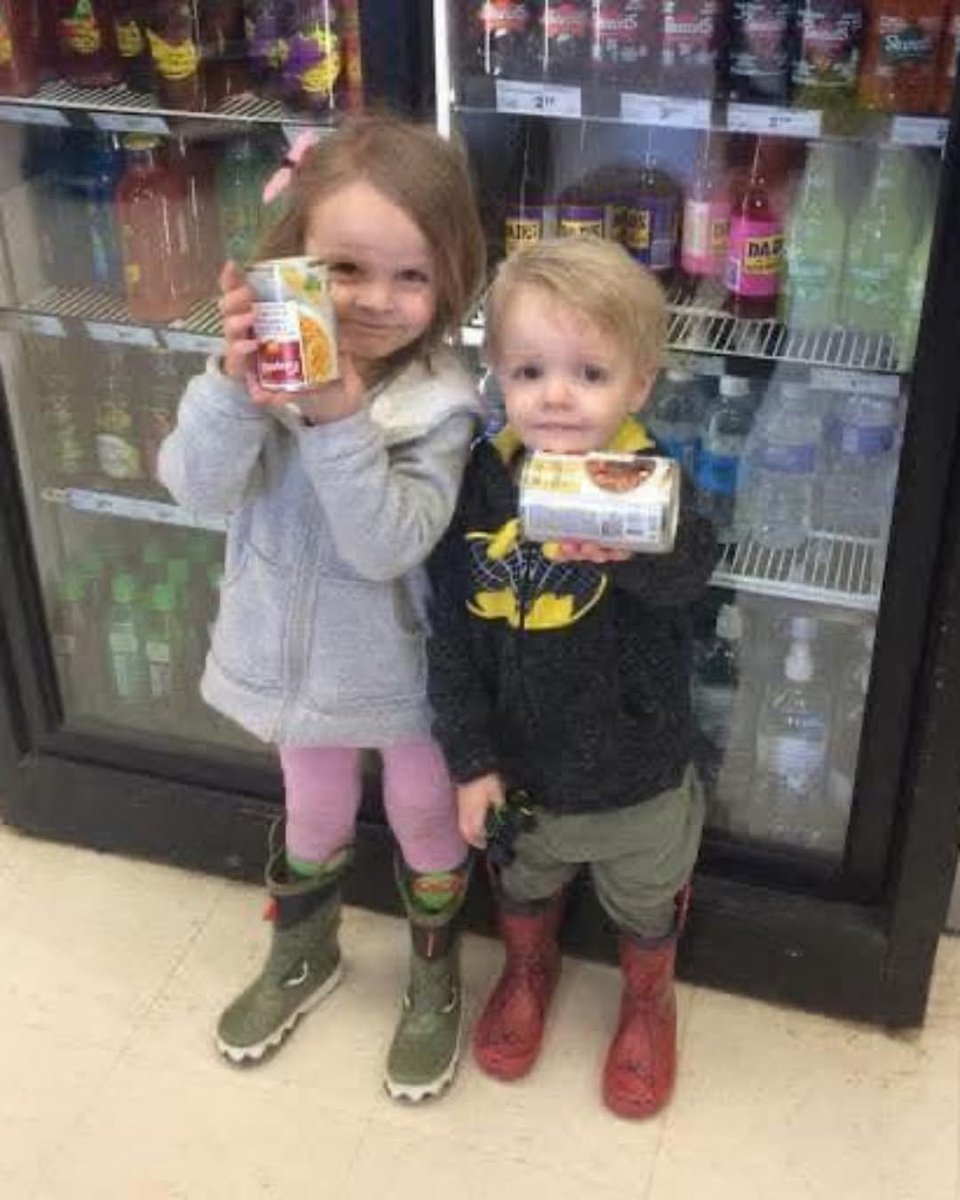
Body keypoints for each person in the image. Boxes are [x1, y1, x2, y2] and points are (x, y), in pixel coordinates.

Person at [158, 114, 486, 1102]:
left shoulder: (443, 406)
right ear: (290, 260)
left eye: (413, 276)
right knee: (314, 811)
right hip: (297, 668)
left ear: (452, 278)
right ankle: (305, 951)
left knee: (426, 817)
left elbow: (386, 542)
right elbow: (195, 487)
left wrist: (339, 419)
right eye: (344, 269)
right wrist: (229, 387)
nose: (378, 303)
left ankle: (434, 975)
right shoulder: (262, 373)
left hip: (408, 674)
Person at [426, 237, 719, 1119]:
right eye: (529, 371)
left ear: (638, 385)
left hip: (636, 769)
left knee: (643, 895)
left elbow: (693, 573)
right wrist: (471, 760)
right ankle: (526, 967)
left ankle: (647, 996)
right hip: (522, 772)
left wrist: (635, 547)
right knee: (522, 882)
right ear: (497, 377)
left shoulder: (650, 481)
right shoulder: (480, 485)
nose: (555, 395)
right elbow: (452, 633)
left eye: (589, 373)